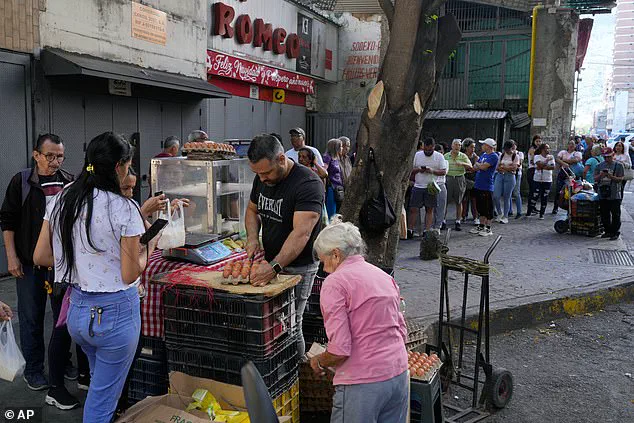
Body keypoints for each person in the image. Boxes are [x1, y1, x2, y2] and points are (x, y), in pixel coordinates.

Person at [33, 132, 156, 423]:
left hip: (77, 314)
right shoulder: (123, 207)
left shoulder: (63, 198)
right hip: (116, 316)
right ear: (118, 167)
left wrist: (82, 260)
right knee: (101, 404)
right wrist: (149, 247)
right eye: (128, 165)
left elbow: (40, 256)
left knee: (100, 387)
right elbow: (130, 273)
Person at [0, 133, 87, 407]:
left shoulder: (68, 181)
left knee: (63, 318)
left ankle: (63, 363)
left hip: (59, 265)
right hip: (29, 264)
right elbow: (7, 221)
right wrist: (12, 257)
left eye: (59, 156)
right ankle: (34, 369)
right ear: (36, 155)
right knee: (31, 317)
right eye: (49, 156)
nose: (55, 161)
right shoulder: (22, 182)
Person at [309, 220, 408, 423]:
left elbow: (340, 349)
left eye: (323, 261)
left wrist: (318, 361)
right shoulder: (382, 276)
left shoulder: (335, 283)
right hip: (397, 374)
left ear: (336, 254)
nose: (324, 269)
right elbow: (401, 330)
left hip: (362, 382)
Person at [245, 134, 324, 358]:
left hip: (299, 266)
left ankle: (295, 369)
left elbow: (301, 233)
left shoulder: (308, 183)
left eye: (266, 173)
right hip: (271, 261)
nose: (262, 178)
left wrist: (274, 267)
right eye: (258, 174)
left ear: (281, 159)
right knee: (272, 322)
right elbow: (251, 210)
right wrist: (253, 238)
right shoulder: (262, 177)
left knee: (291, 323)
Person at [408, 138, 447, 237]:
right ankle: (410, 229)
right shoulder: (417, 155)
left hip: (431, 186)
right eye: (426, 150)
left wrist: (432, 171)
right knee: (413, 208)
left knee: (429, 209)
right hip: (418, 185)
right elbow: (410, 169)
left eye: (430, 150)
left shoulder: (439, 156)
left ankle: (427, 230)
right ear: (423, 147)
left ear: (433, 147)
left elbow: (443, 171)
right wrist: (419, 170)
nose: (428, 152)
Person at [470, 138, 499, 236]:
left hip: (487, 186)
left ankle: (488, 228)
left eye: (483, 144)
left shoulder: (493, 156)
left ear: (488, 146)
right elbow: (476, 167)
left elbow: (483, 167)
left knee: (488, 208)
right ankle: (481, 225)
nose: (482, 146)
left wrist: (478, 164)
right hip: (478, 184)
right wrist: (478, 165)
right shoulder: (483, 155)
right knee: (480, 207)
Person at [595, 147, 625, 240]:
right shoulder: (599, 166)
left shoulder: (618, 165)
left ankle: (615, 232)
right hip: (603, 193)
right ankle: (607, 231)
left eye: (609, 157)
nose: (607, 159)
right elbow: (595, 178)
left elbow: (621, 178)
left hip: (614, 193)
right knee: (604, 213)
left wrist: (611, 177)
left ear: (613, 155)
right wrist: (601, 175)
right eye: (605, 157)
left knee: (615, 214)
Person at [444, 139, 472, 231]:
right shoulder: (446, 156)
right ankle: (443, 221)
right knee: (446, 200)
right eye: (456, 145)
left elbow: (470, 166)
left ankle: (458, 221)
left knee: (459, 201)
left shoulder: (463, 156)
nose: (457, 147)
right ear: (452, 146)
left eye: (459, 145)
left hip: (459, 178)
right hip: (448, 178)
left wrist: (462, 163)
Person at [552, 140, 583, 214]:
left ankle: (571, 209)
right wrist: (564, 163)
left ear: (575, 146)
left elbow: (576, 160)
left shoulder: (577, 153)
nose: (571, 145)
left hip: (573, 174)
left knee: (572, 191)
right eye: (570, 144)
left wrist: (563, 160)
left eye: (573, 144)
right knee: (558, 190)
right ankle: (555, 207)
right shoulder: (562, 152)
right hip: (563, 173)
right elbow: (557, 159)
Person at [493, 141, 520, 224]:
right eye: (506, 149)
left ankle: (505, 216)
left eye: (509, 149)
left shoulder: (516, 156)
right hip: (500, 175)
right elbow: (497, 167)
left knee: (507, 197)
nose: (507, 151)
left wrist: (503, 167)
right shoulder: (501, 155)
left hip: (510, 177)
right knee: (496, 195)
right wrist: (507, 167)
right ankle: (499, 213)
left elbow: (514, 168)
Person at [532, 143, 556, 220]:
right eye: (547, 148)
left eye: (549, 148)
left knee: (545, 196)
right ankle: (531, 209)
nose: (548, 150)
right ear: (542, 149)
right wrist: (546, 161)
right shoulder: (537, 156)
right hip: (538, 179)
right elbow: (539, 164)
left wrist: (542, 166)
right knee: (535, 195)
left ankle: (542, 213)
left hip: (547, 179)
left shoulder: (551, 157)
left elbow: (552, 167)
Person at [324, 138, 345, 217]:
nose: (342, 148)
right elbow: (324, 171)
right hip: (331, 187)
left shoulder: (337, 158)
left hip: (338, 187)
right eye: (341, 146)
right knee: (331, 210)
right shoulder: (327, 157)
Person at [461, 138, 480, 224]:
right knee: (464, 199)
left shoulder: (475, 157)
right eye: (471, 147)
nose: (473, 149)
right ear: (466, 147)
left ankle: (475, 217)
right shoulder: (462, 156)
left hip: (473, 179)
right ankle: (463, 215)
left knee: (474, 199)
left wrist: (471, 169)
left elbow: (475, 168)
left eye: (474, 147)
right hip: (463, 179)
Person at [526, 135, 542, 216]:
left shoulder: (540, 150)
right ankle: (530, 207)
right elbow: (532, 161)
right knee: (532, 190)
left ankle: (533, 206)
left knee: (536, 190)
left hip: (537, 170)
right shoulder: (532, 149)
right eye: (537, 141)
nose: (538, 143)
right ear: (534, 142)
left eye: (539, 141)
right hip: (532, 170)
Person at [509, 142, 524, 219]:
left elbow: (519, 163)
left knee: (516, 192)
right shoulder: (507, 153)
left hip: (517, 174)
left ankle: (519, 211)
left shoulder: (519, 153)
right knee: (509, 193)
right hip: (509, 173)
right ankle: (509, 210)